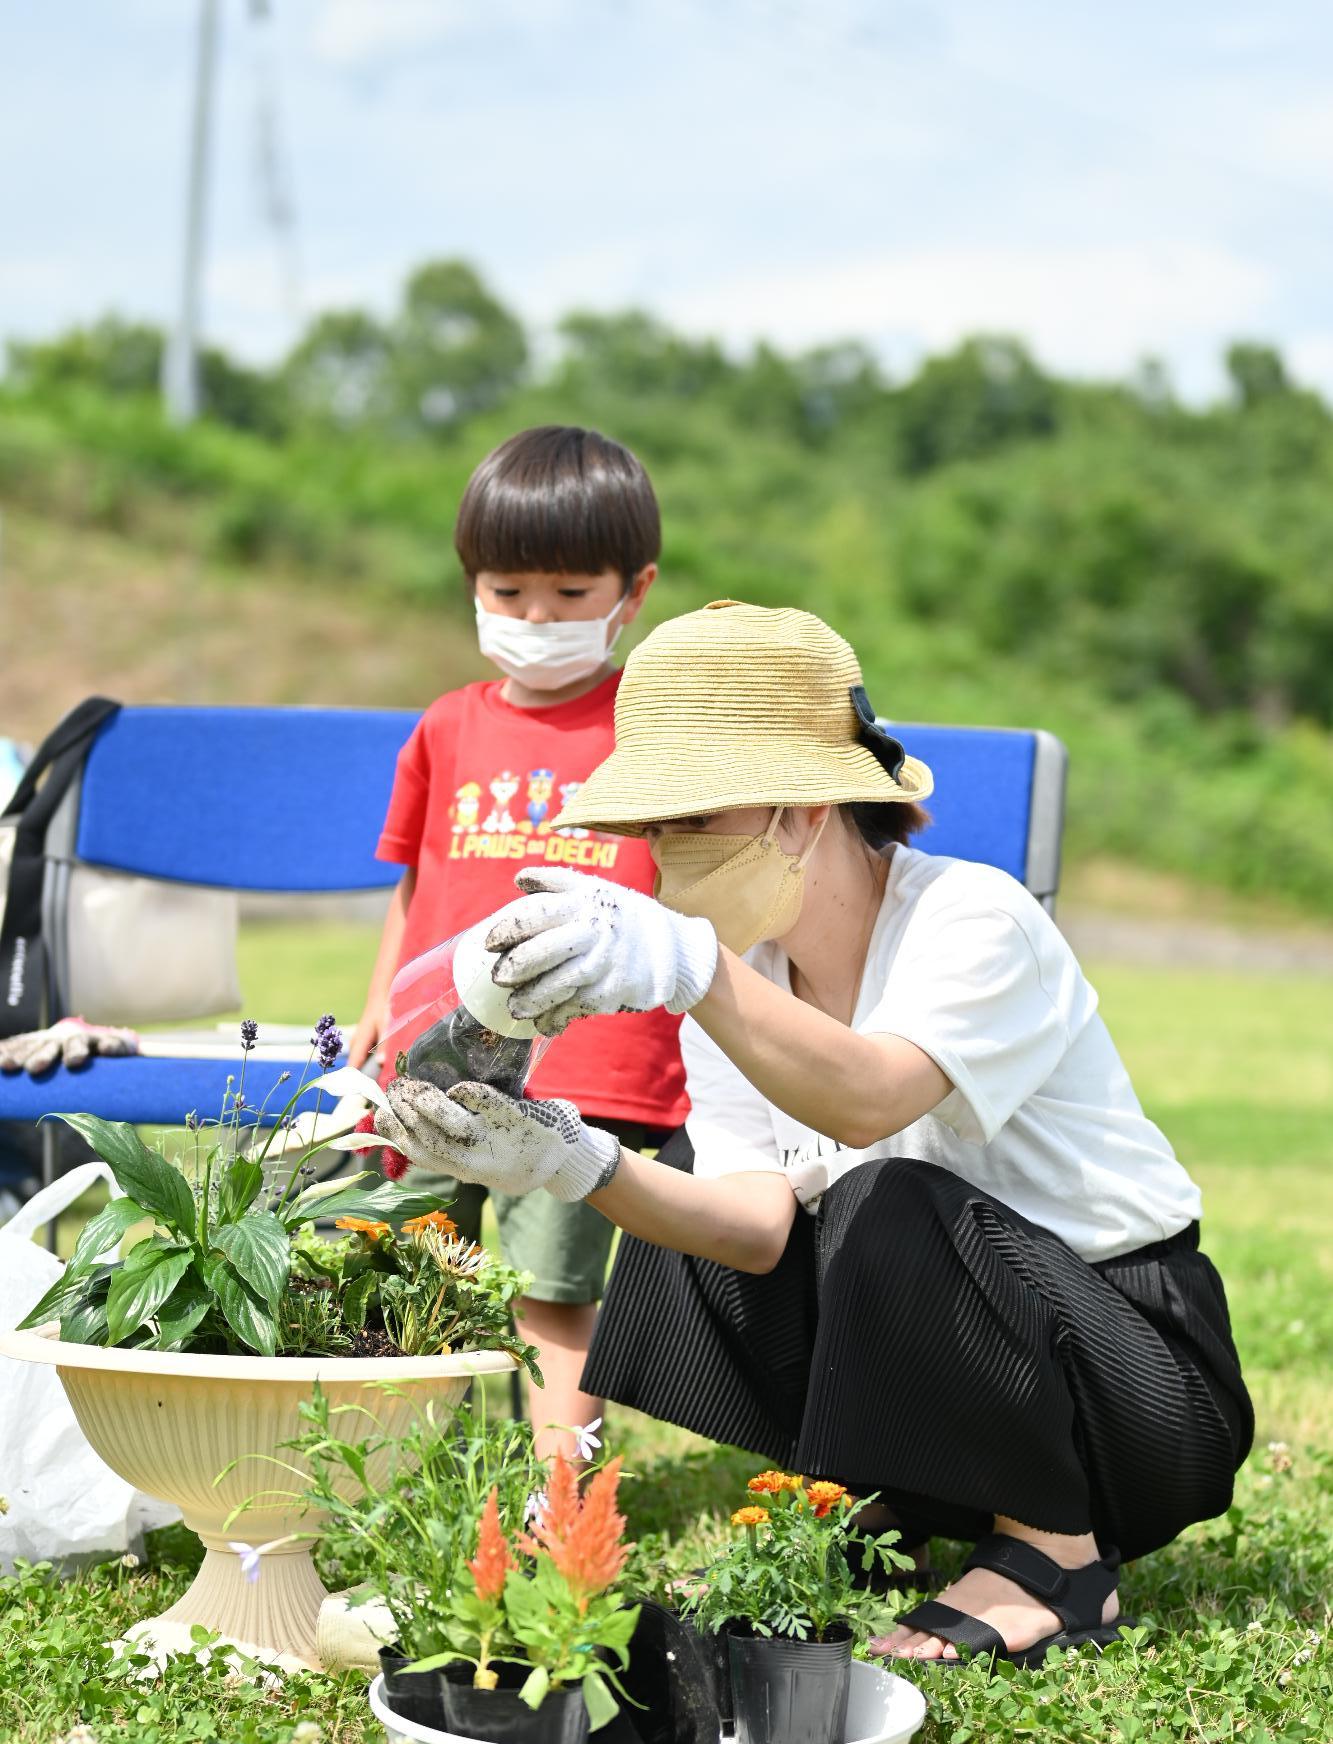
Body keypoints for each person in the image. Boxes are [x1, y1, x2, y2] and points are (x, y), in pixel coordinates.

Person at [372, 599, 1254, 1667]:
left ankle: (1053, 1561)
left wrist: (696, 975)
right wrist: (574, 1160)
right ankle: (894, 1494)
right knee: (686, 1187)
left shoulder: (974, 918)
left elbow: (870, 1097)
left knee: (883, 1196)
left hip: (1136, 1377)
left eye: (693, 817)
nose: (662, 854)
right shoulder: (742, 983)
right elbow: (749, 1227)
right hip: (975, 1351)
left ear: (802, 811)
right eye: (653, 828)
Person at [349, 426, 686, 1454]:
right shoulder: (447, 724)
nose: (537, 616)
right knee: (398, 1265)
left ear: (634, 590)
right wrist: (377, 1011)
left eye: (570, 593)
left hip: (586, 1064)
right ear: (472, 587)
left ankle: (556, 1492)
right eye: (508, 591)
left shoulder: (656, 725)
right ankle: (389, 1470)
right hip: (435, 1055)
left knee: (549, 1294)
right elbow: (417, 885)